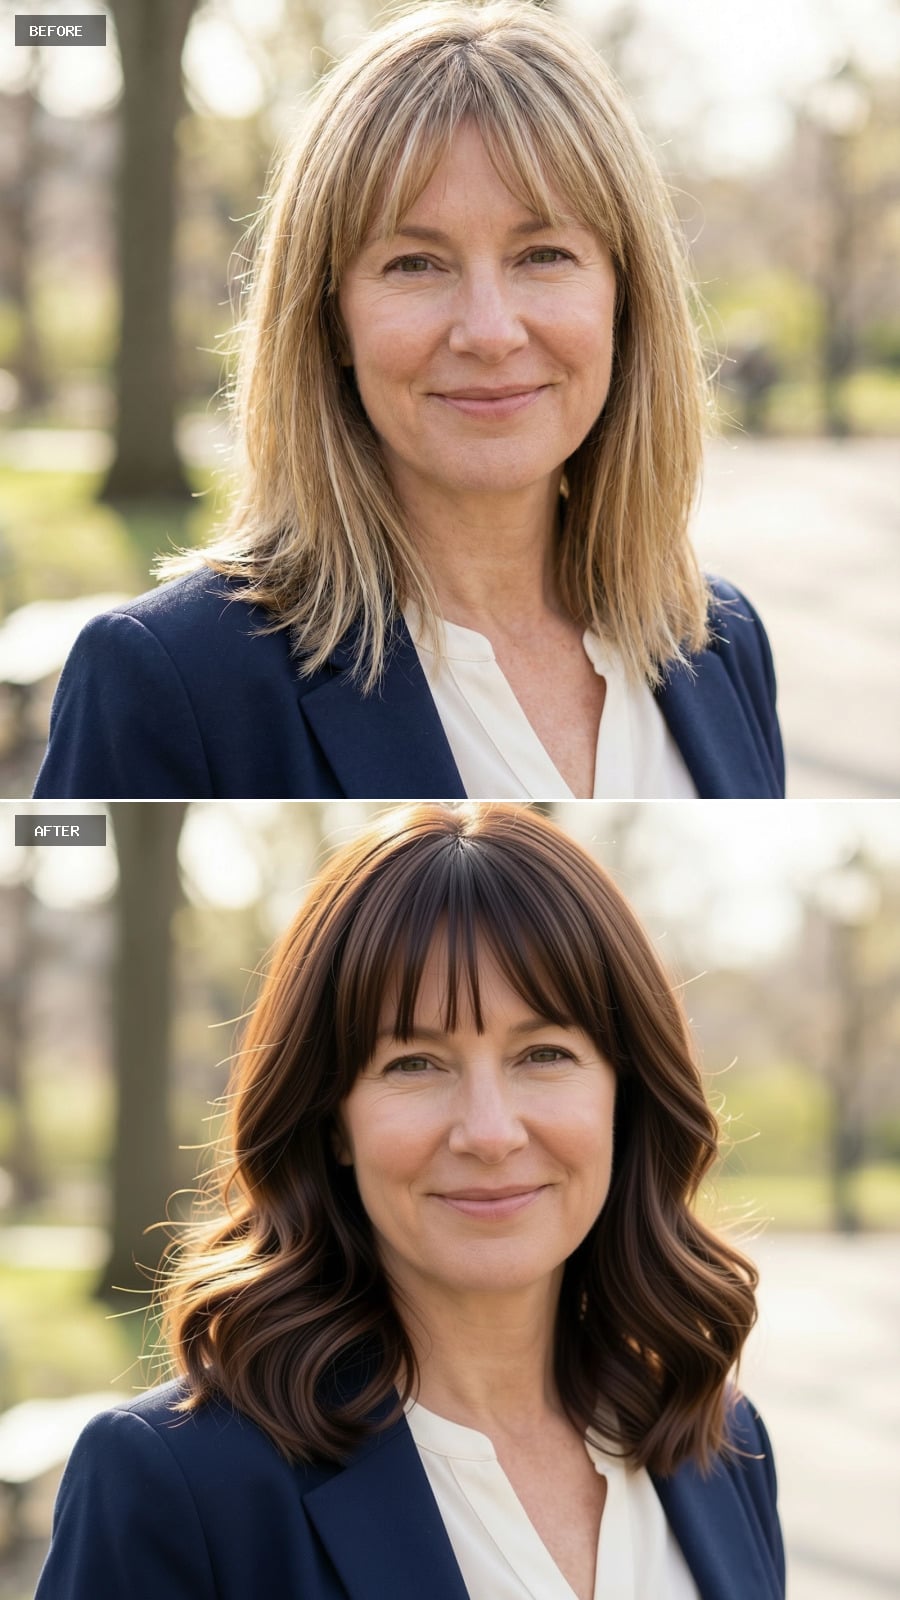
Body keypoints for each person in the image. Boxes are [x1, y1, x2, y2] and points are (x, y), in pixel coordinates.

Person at [34, 1, 783, 801]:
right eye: (415, 264)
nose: (490, 332)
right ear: (330, 318)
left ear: (625, 299)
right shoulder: (168, 677)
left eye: (544, 254)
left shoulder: (721, 640)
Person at [37, 803, 786, 1600]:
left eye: (544, 1053)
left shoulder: (721, 1439)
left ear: (624, 1094)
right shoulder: (179, 1483)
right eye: (415, 1064)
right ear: (332, 1120)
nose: (490, 1133)